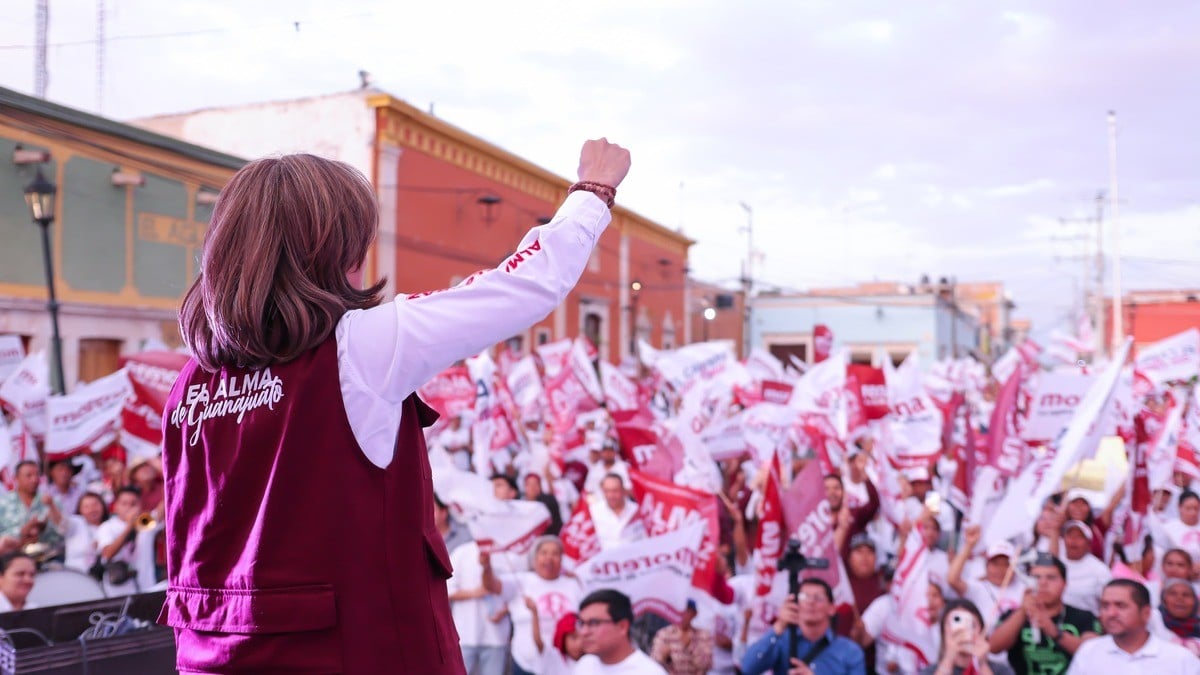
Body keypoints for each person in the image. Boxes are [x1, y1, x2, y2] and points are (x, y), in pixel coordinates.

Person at [159, 139, 631, 674]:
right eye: (357, 243)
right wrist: (593, 190)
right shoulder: (360, 344)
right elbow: (519, 287)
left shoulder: (190, 383)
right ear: (332, 252)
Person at [483, 535, 583, 675]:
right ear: (535, 558)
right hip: (525, 665)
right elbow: (491, 585)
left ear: (561, 559)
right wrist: (486, 567)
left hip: (564, 667)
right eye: (544, 553)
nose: (549, 558)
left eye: (555, 553)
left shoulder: (573, 584)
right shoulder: (521, 580)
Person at [988, 553, 1099, 675]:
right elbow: (993, 647)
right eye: (1036, 578)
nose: (1043, 583)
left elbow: (1094, 654)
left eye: (1051, 577)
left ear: (1064, 583)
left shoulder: (1084, 617)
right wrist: (1023, 611)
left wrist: (1053, 631)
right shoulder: (1012, 615)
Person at [1066, 580, 1200, 673]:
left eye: (1121, 606)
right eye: (1105, 606)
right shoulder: (1090, 651)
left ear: (1146, 613)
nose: (1111, 613)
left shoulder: (1180, 659)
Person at [741, 577, 866, 675]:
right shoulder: (782, 642)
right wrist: (778, 626)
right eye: (804, 597)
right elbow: (748, 668)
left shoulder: (850, 651)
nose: (810, 602)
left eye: (818, 597)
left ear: (832, 608)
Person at [446, 540, 509, 675]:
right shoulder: (461, 552)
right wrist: (476, 592)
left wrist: (506, 610)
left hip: (496, 637)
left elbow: (516, 592)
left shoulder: (506, 552)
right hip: (465, 635)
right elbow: (448, 590)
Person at [949, 526, 1025, 632]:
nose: (1000, 569)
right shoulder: (978, 588)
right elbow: (952, 580)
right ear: (986, 566)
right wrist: (969, 545)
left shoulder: (1024, 590)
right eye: (995, 564)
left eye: (1006, 564)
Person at [574, 589, 668, 674]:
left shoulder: (649, 672)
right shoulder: (584, 665)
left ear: (622, 626)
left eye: (594, 623)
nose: (584, 632)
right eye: (582, 623)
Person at [918, 599, 1015, 675]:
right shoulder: (930, 671)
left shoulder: (1000, 670)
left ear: (981, 630)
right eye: (955, 622)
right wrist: (948, 659)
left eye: (971, 624)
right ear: (943, 632)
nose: (962, 630)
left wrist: (982, 664)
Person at [0, 461, 64, 549]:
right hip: (11, 558)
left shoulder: (51, 502)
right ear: (16, 478)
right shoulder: (3, 503)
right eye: (28, 476)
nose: (34, 480)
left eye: (37, 475)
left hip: (48, 557)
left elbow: (63, 534)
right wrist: (22, 531)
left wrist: (44, 528)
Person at [651, 599, 715, 674]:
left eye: (686, 611)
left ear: (695, 614)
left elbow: (707, 665)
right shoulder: (664, 634)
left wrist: (691, 646)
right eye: (678, 611)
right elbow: (653, 662)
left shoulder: (703, 635)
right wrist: (663, 655)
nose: (681, 614)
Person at [591, 474, 644, 550]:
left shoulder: (637, 511)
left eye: (615, 491)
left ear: (623, 490)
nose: (611, 496)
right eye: (607, 491)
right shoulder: (593, 512)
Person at [63, 492, 109, 575]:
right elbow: (61, 522)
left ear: (103, 506)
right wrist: (51, 505)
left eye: (95, 505)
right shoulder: (76, 522)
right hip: (76, 576)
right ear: (80, 510)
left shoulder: (111, 525)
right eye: (86, 507)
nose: (92, 509)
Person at [1154, 578, 1200, 656]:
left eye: (1186, 595)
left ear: (1195, 602)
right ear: (1163, 600)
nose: (1180, 599)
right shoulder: (1153, 621)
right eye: (1173, 594)